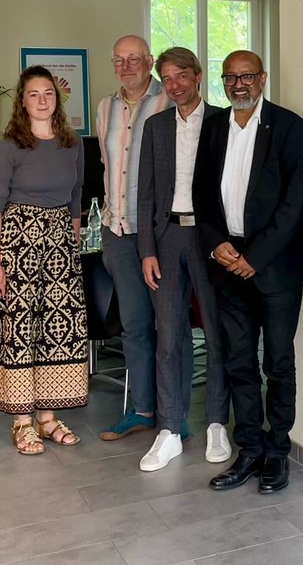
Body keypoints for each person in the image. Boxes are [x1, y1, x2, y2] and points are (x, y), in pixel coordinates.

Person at [193, 50, 303, 494]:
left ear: (262, 78)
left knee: (277, 363)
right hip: (227, 261)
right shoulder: (213, 127)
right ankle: (249, 448)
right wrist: (215, 243)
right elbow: (201, 192)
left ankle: (277, 452)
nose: (238, 84)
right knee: (238, 361)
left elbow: (295, 200)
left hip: (274, 265)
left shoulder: (288, 126)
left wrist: (255, 257)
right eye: (230, 77)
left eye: (246, 76)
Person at [0, 66, 87, 455]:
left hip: (60, 244)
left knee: (59, 330)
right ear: (22, 101)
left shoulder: (72, 143)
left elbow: (76, 197)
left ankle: (47, 418)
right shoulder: (10, 146)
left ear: (56, 99)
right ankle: (22, 422)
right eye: (34, 94)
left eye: (48, 93)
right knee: (21, 329)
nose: (42, 100)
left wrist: (71, 242)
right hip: (18, 242)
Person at [136, 47, 231, 471]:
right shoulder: (155, 127)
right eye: (168, 78)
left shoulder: (223, 122)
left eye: (181, 76)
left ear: (197, 76)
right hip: (168, 237)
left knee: (216, 333)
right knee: (169, 338)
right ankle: (170, 429)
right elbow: (145, 193)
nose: (175, 85)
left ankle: (217, 423)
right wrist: (147, 250)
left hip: (210, 237)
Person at [95, 35, 168, 441]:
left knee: (170, 326)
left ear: (149, 61)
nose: (126, 66)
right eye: (119, 60)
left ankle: (173, 415)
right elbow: (108, 167)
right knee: (135, 326)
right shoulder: (105, 107)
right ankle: (142, 409)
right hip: (119, 232)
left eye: (134, 59)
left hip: (160, 233)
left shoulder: (169, 101)